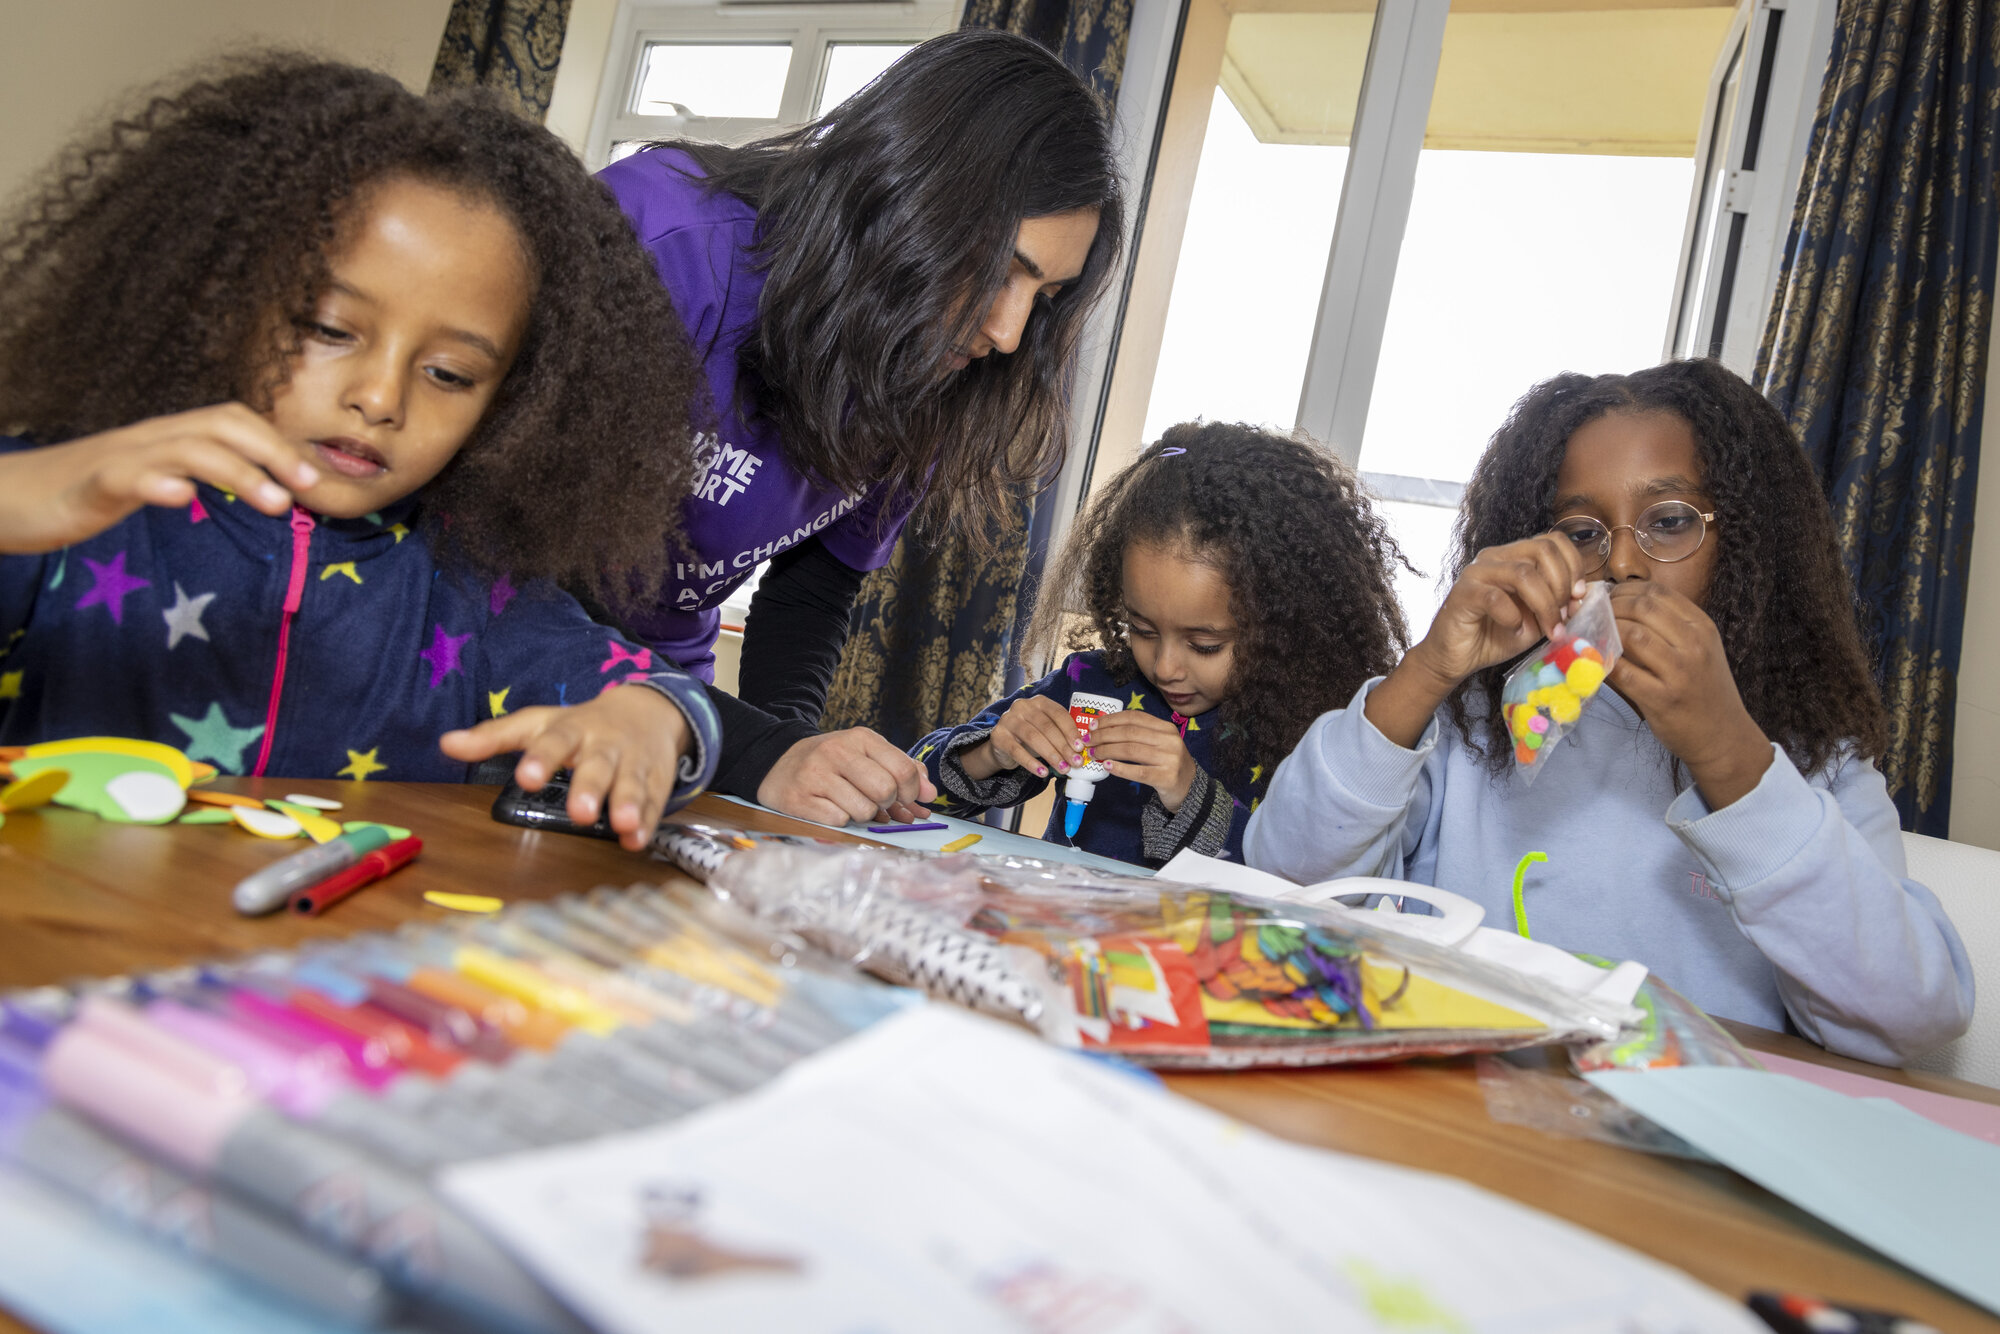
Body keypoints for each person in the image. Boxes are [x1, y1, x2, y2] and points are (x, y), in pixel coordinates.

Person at [0, 57, 720, 849]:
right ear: (220, 299)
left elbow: (640, 686)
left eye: (449, 373)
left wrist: (653, 719)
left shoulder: (475, 585)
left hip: (320, 961)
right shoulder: (83, 501)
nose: (381, 398)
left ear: (510, 406)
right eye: (330, 330)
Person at [1245, 361, 1973, 1065]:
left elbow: (1910, 1017)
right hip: (1464, 1112)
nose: (1621, 564)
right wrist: (1429, 669)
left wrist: (1730, 756)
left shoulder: (1816, 763)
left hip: (1689, 1144)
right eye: (1584, 532)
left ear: (1750, 546)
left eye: (1669, 520)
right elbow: (1282, 880)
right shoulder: (1464, 726)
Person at [598, 28, 1123, 829]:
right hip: (491, 664)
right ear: (903, 192)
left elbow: (813, 588)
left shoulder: (935, 372)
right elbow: (507, 580)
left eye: (1044, 295)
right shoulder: (665, 240)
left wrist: (795, 762)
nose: (1011, 334)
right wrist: (759, 752)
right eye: (997, 271)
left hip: (667, 715)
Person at [911, 423, 1408, 867]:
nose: (1166, 667)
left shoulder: (1312, 738)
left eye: (1206, 645)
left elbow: (1291, 880)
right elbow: (916, 793)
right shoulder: (1094, 685)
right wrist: (990, 753)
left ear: (1282, 625)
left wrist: (1189, 793)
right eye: (1142, 630)